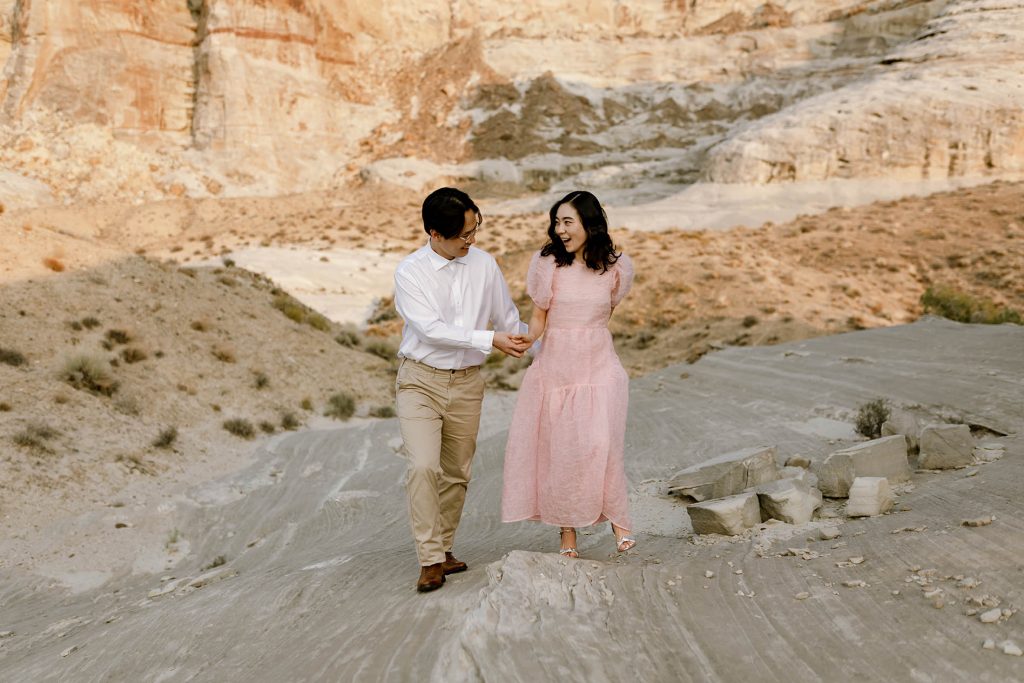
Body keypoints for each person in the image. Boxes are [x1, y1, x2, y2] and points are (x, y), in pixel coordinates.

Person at [393, 187, 530, 592]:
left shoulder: (485, 265)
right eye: (464, 235)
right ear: (436, 234)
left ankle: (446, 549)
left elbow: (508, 318)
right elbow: (431, 331)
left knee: (456, 473)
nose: (472, 240)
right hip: (420, 380)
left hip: (468, 383)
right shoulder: (409, 272)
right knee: (422, 467)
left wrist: (542, 344)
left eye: (476, 229)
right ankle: (430, 559)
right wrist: (491, 340)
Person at [501, 190, 636, 557]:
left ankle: (620, 524)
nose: (559, 229)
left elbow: (607, 310)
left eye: (567, 222)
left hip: (600, 365)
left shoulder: (616, 267)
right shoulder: (548, 264)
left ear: (589, 224)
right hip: (558, 369)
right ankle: (568, 535)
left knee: (601, 444)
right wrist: (528, 339)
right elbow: (540, 314)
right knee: (563, 451)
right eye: (556, 222)